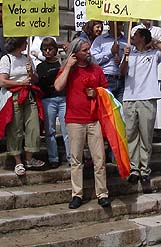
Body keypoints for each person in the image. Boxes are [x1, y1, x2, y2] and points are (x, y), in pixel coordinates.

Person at [54, 37, 111, 209]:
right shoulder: (68, 69)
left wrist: (97, 93)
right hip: (74, 120)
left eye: (88, 50)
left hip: (94, 120)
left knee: (99, 159)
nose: (88, 53)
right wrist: (68, 66)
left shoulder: (96, 69)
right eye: (84, 50)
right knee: (76, 159)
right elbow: (58, 86)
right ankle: (76, 194)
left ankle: (102, 193)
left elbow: (106, 91)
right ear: (75, 52)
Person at [121, 28, 161, 184]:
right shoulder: (129, 53)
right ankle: (134, 169)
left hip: (147, 98)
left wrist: (154, 41)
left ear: (142, 37)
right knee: (130, 135)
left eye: (135, 35)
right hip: (129, 98)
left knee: (146, 135)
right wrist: (126, 57)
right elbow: (122, 72)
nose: (132, 38)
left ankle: (144, 169)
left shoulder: (153, 54)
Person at [0, 37, 44, 176]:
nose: (27, 44)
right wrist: (21, 83)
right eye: (24, 42)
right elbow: (3, 81)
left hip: (28, 95)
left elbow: (35, 79)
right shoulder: (6, 59)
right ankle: (17, 161)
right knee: (15, 128)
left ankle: (29, 158)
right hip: (13, 96)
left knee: (33, 125)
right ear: (18, 44)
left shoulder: (27, 58)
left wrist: (31, 74)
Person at [36, 37, 71, 169]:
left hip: (63, 98)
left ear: (55, 49)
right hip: (48, 98)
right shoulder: (41, 66)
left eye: (50, 49)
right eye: (45, 49)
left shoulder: (62, 63)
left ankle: (70, 157)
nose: (48, 52)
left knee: (66, 129)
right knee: (49, 130)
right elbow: (40, 82)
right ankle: (53, 157)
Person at [91, 21, 127, 102]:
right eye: (116, 24)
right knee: (106, 107)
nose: (118, 26)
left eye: (120, 24)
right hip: (106, 78)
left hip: (122, 80)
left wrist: (122, 59)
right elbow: (93, 60)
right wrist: (111, 52)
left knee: (120, 110)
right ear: (110, 24)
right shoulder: (100, 40)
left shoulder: (126, 41)